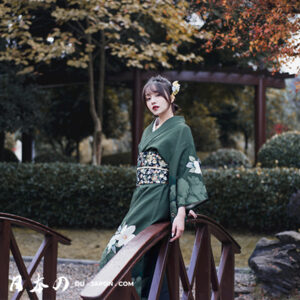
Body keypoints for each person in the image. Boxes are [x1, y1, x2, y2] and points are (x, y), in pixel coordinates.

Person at [98, 75, 208, 299]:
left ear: (171, 96)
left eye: (158, 95)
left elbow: (183, 170)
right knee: (130, 255)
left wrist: (181, 211)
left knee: (118, 253)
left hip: (159, 198)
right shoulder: (149, 130)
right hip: (142, 197)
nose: (153, 101)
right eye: (148, 98)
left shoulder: (181, 130)